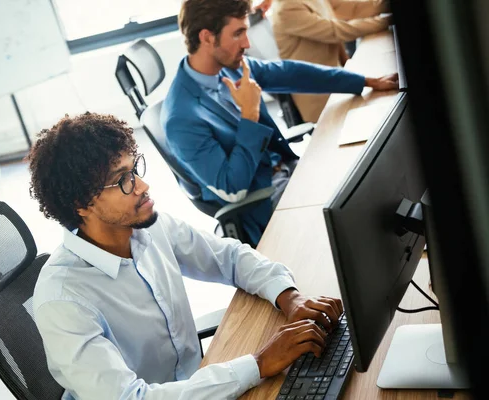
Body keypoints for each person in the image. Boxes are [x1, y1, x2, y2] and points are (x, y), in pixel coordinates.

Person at [28, 112, 343, 399]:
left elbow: (229, 258)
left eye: (135, 168)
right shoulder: (63, 301)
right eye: (123, 180)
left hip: (202, 384)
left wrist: (289, 297)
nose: (142, 185)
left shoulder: (146, 227)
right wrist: (259, 363)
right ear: (81, 205)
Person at [161, 0, 397, 246]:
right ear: (207, 37)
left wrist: (365, 81)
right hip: (266, 202)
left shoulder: (229, 67)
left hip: (289, 169)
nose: (248, 43)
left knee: (370, 174)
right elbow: (233, 189)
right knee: (364, 211)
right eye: (238, 33)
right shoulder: (181, 118)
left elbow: (289, 72)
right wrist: (249, 116)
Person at [254, 0, 391, 122]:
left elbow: (353, 8)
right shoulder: (286, 8)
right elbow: (335, 31)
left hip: (342, 78)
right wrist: (385, 21)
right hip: (321, 93)